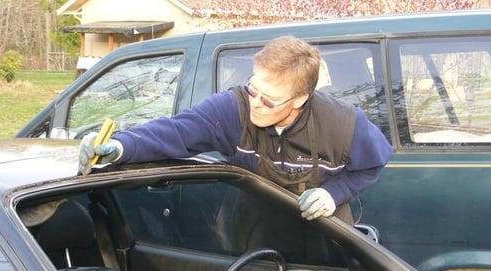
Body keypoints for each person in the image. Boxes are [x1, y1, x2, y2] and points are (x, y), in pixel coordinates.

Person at [78, 36, 392, 223]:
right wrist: (120, 146)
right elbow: (174, 133)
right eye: (253, 89)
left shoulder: (343, 124)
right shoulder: (232, 110)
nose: (255, 103)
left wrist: (333, 192)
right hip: (258, 232)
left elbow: (372, 165)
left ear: (299, 100)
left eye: (269, 101)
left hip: (326, 235)